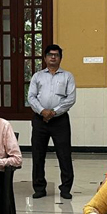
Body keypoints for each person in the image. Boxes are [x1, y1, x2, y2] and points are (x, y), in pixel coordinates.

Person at [28, 44, 76, 199]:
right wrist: (43, 111)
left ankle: (66, 188)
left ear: (60, 58)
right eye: (50, 55)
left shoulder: (67, 76)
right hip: (40, 120)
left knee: (64, 155)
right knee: (38, 154)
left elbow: (70, 98)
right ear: (45, 58)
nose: (53, 57)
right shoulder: (37, 76)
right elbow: (31, 97)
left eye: (56, 55)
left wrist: (54, 112)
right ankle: (39, 188)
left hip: (60, 120)